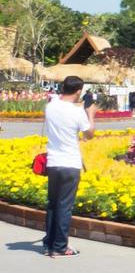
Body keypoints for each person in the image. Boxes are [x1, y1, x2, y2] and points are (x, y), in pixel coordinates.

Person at [42, 76, 95, 257]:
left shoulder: (50, 107)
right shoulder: (77, 112)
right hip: (70, 163)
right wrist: (91, 115)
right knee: (65, 206)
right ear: (79, 91)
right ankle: (60, 246)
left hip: (53, 162)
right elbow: (89, 135)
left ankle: (49, 243)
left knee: (53, 204)